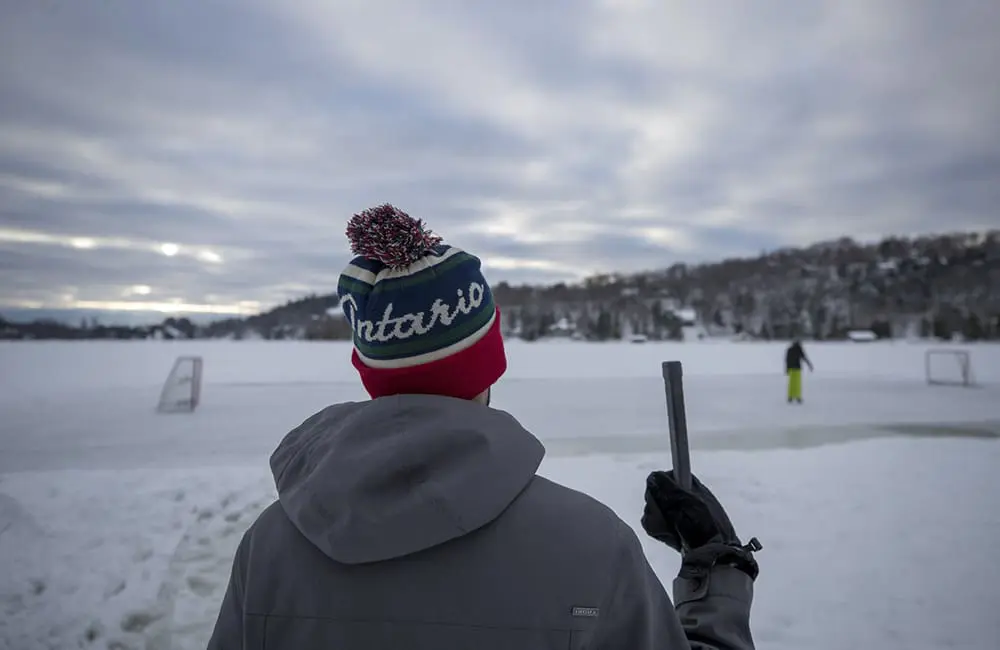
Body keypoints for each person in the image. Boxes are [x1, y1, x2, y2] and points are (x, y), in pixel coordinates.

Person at [207, 204, 761, 649]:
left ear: (369, 368)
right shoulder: (594, 546)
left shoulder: (269, 547)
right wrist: (717, 575)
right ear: (490, 361)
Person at [784, 339, 814, 403]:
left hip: (791, 368)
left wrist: (786, 369)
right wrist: (809, 365)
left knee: (791, 383)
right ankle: (798, 397)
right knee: (797, 384)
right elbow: (804, 358)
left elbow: (787, 360)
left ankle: (790, 397)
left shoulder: (789, 350)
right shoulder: (799, 349)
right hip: (797, 368)